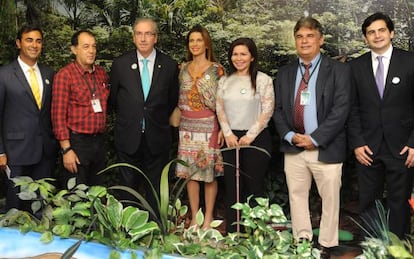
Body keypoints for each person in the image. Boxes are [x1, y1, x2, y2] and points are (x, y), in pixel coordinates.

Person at [273, 17, 351, 258]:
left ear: (321, 40)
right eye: (299, 36)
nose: (304, 41)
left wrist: (314, 138)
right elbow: (277, 110)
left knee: (330, 199)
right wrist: (289, 135)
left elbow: (341, 109)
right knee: (296, 196)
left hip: (325, 147)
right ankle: (302, 240)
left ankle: (326, 244)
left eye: (309, 36)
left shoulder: (338, 70)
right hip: (294, 147)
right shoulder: (285, 73)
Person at [347, 12, 414, 239]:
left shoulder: (410, 61)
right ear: (365, 38)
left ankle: (398, 248)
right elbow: (352, 108)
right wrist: (357, 143)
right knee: (368, 200)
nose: (377, 36)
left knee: (399, 200)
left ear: (391, 33)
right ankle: (372, 246)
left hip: (403, 147)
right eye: (371, 32)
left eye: (381, 30)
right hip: (367, 147)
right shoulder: (355, 67)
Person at [109, 17, 179, 213]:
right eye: (139, 33)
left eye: (148, 33)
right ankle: (128, 230)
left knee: (155, 187)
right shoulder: (120, 64)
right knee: (127, 187)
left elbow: (171, 99)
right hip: (128, 135)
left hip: (157, 136)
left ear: (155, 38)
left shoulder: (169, 65)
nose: (143, 38)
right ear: (133, 38)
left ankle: (154, 230)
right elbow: (114, 99)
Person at [216, 38, 274, 233]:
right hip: (231, 139)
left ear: (252, 57)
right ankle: (234, 232)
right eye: (235, 54)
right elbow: (220, 108)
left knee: (254, 184)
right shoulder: (225, 80)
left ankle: (257, 232)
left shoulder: (263, 80)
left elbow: (267, 110)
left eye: (243, 54)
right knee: (233, 187)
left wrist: (249, 136)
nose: (238, 58)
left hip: (256, 139)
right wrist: (228, 133)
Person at [0, 25, 57, 211]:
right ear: (19, 43)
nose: (34, 45)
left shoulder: (49, 74)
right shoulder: (4, 75)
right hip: (15, 154)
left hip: (44, 152)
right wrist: (0, 151)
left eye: (38, 41)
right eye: (29, 40)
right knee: (15, 209)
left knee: (41, 208)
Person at [175, 25, 224, 229]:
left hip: (209, 125)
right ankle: (195, 216)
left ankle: (209, 217)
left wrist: (222, 127)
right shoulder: (182, 69)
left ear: (206, 43)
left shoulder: (216, 70)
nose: (195, 44)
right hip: (186, 126)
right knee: (190, 174)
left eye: (199, 40)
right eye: (191, 40)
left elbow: (223, 101)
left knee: (208, 173)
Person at [51, 30, 110, 187]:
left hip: (99, 142)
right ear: (74, 49)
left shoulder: (101, 74)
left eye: (93, 46)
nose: (91, 51)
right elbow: (58, 116)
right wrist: (66, 149)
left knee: (97, 193)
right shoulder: (65, 75)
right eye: (85, 46)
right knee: (76, 195)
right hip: (77, 144)